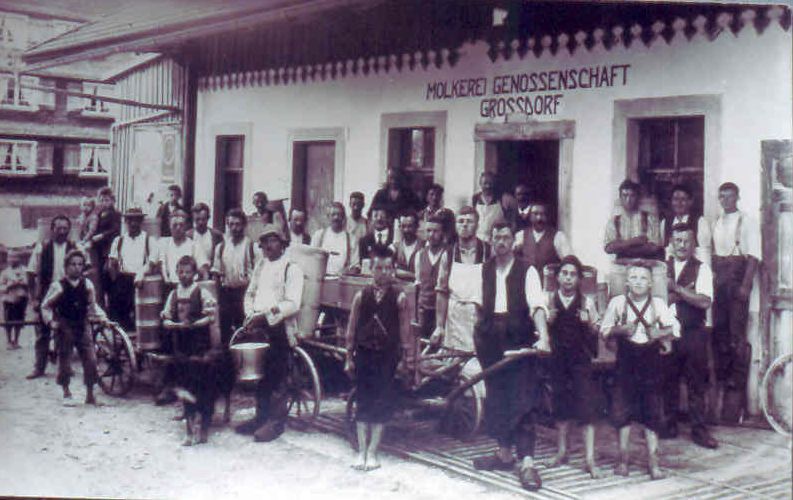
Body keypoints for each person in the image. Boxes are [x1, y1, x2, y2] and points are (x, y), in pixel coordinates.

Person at [471, 222, 550, 492]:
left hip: (518, 340)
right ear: (491, 241)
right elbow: (478, 308)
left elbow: (537, 307)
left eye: (506, 237)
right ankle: (504, 454)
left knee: (523, 400)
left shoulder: (527, 271)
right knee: (498, 398)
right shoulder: (484, 269)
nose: (501, 242)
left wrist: (544, 337)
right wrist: (478, 336)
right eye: (497, 238)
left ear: (513, 242)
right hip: (490, 341)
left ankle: (527, 463)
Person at [600, 263, 680, 480]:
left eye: (643, 278)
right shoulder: (618, 303)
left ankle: (654, 463)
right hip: (625, 363)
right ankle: (623, 460)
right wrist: (620, 329)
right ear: (626, 281)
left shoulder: (658, 304)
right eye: (633, 277)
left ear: (651, 283)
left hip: (650, 363)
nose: (638, 282)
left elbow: (675, 330)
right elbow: (604, 330)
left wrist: (658, 334)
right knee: (621, 411)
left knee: (652, 412)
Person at [236, 224, 304, 442]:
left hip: (279, 328)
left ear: (282, 243)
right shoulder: (261, 266)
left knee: (277, 374)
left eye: (273, 240)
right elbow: (250, 293)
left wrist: (265, 315)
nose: (268, 245)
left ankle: (276, 422)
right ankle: (260, 417)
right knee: (260, 374)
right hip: (258, 326)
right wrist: (250, 313)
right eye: (264, 241)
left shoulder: (291, 268)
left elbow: (292, 303)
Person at [344, 247, 410, 471]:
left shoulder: (399, 297)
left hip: (387, 357)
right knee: (363, 401)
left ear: (393, 270)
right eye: (379, 268)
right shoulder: (361, 296)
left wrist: (404, 359)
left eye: (388, 268)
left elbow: (405, 331)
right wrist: (348, 357)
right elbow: (351, 328)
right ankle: (361, 452)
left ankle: (372, 452)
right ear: (371, 269)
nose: (384, 272)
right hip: (364, 355)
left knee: (381, 402)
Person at [544, 255, 603, 478]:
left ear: (579, 279)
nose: (568, 278)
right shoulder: (549, 300)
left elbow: (598, 329)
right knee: (560, 405)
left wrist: (589, 324)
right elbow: (537, 329)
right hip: (558, 361)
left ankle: (589, 459)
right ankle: (562, 452)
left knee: (587, 408)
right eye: (565, 273)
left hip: (580, 361)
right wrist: (548, 321)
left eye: (573, 275)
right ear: (558, 277)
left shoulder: (587, 302)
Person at [663, 224, 718, 448]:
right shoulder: (662, 268)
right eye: (678, 240)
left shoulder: (702, 269)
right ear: (671, 243)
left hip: (693, 332)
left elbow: (704, 301)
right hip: (668, 333)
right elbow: (657, 300)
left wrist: (676, 289)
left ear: (693, 244)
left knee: (697, 383)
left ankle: (699, 431)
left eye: (686, 241)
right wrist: (687, 292)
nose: (682, 245)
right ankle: (668, 425)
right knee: (668, 380)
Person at [710, 182, 760, 423]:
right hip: (720, 283)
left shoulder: (747, 221)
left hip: (737, 282)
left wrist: (746, 286)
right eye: (722, 197)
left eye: (730, 196)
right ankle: (720, 396)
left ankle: (736, 401)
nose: (726, 200)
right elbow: (715, 255)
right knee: (719, 335)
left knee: (736, 337)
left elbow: (754, 257)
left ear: (737, 197)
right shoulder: (717, 222)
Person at [40, 249, 107, 404]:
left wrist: (103, 318)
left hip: (82, 324)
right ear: (66, 267)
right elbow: (45, 306)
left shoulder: (87, 284)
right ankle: (66, 392)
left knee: (91, 359)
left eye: (80, 264)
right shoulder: (58, 286)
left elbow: (92, 305)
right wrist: (51, 322)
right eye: (73, 264)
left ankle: (90, 394)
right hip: (65, 325)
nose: (77, 268)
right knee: (65, 360)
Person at [431, 206, 491, 353]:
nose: (465, 225)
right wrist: (439, 326)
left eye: (469, 221)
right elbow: (442, 292)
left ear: (477, 225)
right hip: (454, 319)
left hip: (479, 317)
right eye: (461, 221)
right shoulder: (449, 254)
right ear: (456, 226)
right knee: (452, 360)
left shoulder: (488, 252)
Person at [26, 215, 76, 379]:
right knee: (42, 333)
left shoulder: (74, 247)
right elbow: (30, 273)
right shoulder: (42, 248)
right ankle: (39, 367)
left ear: (69, 230)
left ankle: (65, 367)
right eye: (58, 228)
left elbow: (85, 270)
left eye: (65, 228)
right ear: (52, 230)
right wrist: (34, 298)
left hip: (67, 295)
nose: (62, 232)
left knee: (66, 333)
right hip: (47, 294)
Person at [211, 209, 257, 346]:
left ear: (244, 225)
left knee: (244, 328)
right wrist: (218, 297)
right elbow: (216, 273)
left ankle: (243, 356)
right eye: (231, 224)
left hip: (244, 292)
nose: (234, 228)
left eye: (237, 224)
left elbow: (257, 273)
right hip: (226, 293)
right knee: (225, 329)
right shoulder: (221, 247)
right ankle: (227, 357)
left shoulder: (251, 246)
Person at [106, 207, 153, 331]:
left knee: (140, 319)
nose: (133, 223)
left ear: (141, 221)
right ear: (126, 221)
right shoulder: (119, 240)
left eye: (137, 220)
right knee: (120, 318)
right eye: (130, 220)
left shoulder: (148, 239)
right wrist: (115, 282)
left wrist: (142, 274)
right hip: (123, 281)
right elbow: (112, 262)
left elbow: (152, 263)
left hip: (141, 281)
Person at [152, 210, 210, 300]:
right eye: (175, 225)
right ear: (169, 226)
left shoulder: (194, 245)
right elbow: (151, 264)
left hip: (190, 289)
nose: (178, 228)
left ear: (186, 226)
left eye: (181, 225)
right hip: (169, 288)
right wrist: (141, 274)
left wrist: (204, 292)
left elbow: (204, 271)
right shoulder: (163, 243)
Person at [604, 180, 663, 260]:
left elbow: (654, 247)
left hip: (644, 262)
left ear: (637, 197)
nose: (628, 200)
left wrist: (620, 245)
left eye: (632, 196)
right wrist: (633, 241)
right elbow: (608, 248)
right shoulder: (614, 221)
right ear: (620, 198)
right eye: (625, 196)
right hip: (621, 263)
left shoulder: (649, 218)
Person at [514, 202, 571, 282]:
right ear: (530, 216)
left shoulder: (558, 236)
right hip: (527, 282)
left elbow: (569, 261)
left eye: (542, 214)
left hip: (548, 283)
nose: (539, 218)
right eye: (535, 214)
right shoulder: (521, 235)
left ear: (547, 216)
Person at [414, 215, 447, 339]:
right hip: (423, 310)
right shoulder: (420, 254)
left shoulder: (448, 254)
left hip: (442, 312)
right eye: (428, 231)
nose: (432, 235)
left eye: (436, 231)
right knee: (422, 343)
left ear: (442, 232)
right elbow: (418, 285)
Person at [660, 184, 711, 263]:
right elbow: (667, 251)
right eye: (675, 199)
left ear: (690, 201)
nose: (679, 203)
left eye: (683, 199)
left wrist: (704, 269)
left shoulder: (700, 222)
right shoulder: (665, 223)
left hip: (693, 268)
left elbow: (704, 253)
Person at [91, 187, 122, 306]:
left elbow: (115, 230)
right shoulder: (99, 214)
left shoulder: (116, 214)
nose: (104, 203)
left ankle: (112, 304)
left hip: (110, 249)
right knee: (99, 279)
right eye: (102, 200)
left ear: (113, 201)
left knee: (108, 275)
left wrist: (102, 235)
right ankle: (101, 304)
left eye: (107, 200)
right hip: (99, 249)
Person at [311, 202, 357, 275]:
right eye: (333, 214)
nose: (336, 217)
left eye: (339, 215)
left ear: (343, 217)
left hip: (342, 280)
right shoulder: (319, 235)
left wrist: (346, 273)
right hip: (321, 279)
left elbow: (355, 266)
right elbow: (311, 260)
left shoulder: (351, 239)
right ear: (328, 216)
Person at [1, 248, 29, 349]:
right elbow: (1, 287)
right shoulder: (5, 272)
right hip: (8, 300)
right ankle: (9, 341)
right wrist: (9, 285)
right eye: (10, 257)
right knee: (8, 321)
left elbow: (30, 284)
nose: (12, 259)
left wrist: (22, 283)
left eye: (15, 257)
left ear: (20, 258)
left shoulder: (25, 270)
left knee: (19, 320)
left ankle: (16, 340)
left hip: (21, 298)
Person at [472, 171, 508, 242]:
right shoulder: (475, 199)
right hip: (477, 238)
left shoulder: (501, 199)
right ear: (480, 184)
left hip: (496, 240)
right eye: (485, 183)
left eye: (490, 183)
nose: (488, 186)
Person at [390, 211, 424, 276]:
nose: (406, 230)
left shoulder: (424, 246)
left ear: (417, 226)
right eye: (403, 226)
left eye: (410, 226)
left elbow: (425, 275)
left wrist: (401, 273)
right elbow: (389, 270)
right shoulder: (395, 247)